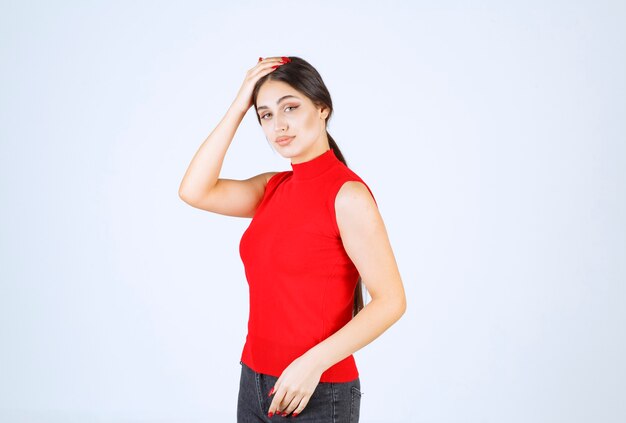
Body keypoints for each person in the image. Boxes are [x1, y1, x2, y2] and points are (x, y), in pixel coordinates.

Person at [178, 56, 407, 422]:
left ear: (322, 110)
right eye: (265, 115)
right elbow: (194, 190)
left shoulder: (348, 196)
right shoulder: (273, 187)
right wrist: (239, 105)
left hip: (316, 391)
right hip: (253, 381)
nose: (278, 124)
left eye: (291, 107)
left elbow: (391, 300)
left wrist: (310, 365)